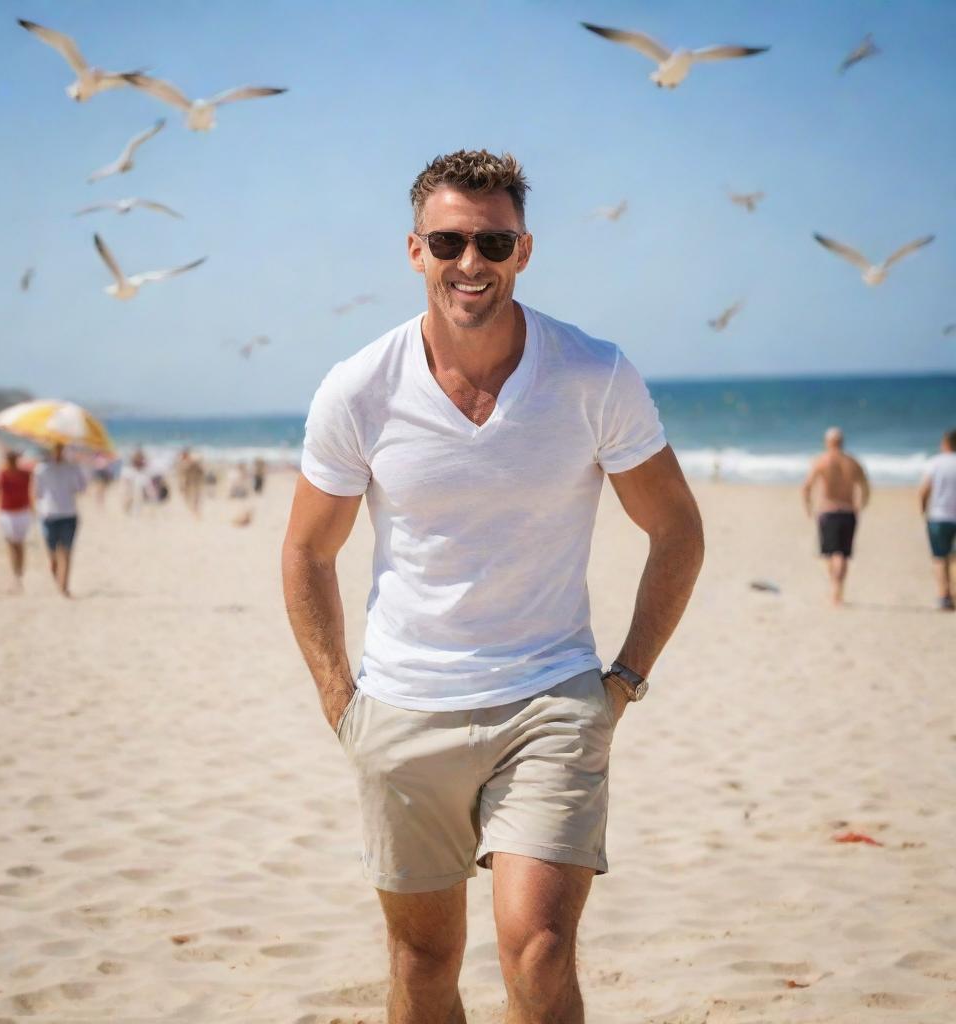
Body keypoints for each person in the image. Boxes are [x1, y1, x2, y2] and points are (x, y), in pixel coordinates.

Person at [282, 150, 704, 1024]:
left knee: (539, 953)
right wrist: (341, 701)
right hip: (403, 709)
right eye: (448, 241)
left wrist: (621, 680)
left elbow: (676, 529)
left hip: (549, 697)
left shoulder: (594, 374)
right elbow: (307, 552)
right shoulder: (358, 389)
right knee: (423, 962)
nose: (470, 262)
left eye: (493, 241)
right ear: (414, 250)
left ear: (524, 250)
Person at [802, 427, 870, 606]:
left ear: (827, 442)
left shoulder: (821, 461)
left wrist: (808, 507)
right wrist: (862, 504)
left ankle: (835, 590)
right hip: (848, 511)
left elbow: (807, 486)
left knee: (832, 553)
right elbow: (865, 486)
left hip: (828, 510)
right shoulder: (853, 462)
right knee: (843, 553)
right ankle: (839, 589)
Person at [33, 442, 86, 597]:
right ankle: (59, 580)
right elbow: (37, 492)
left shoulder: (72, 468)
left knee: (67, 552)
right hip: (49, 515)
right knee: (53, 556)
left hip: (69, 514)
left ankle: (64, 587)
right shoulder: (42, 469)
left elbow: (81, 488)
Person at [918, 428, 956, 611]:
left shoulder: (935, 463)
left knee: (940, 558)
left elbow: (925, 489)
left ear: (945, 443)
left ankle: (943, 595)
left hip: (939, 516)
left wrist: (922, 509)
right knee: (955, 558)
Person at [0, 448, 33, 592]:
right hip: (7, 512)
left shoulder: (25, 473)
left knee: (19, 544)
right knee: (11, 544)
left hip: (21, 511)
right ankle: (16, 575)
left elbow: (32, 490)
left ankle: (19, 575)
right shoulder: (2, 473)